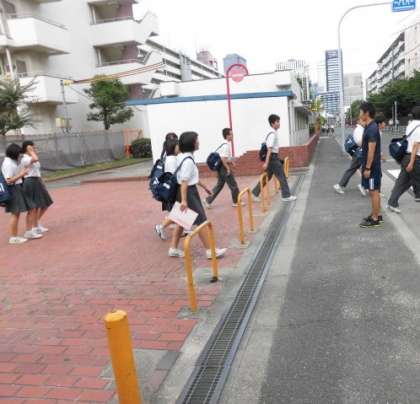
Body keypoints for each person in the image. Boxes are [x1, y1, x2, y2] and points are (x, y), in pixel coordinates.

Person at [168, 131, 227, 259]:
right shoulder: (188, 160)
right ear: (192, 143)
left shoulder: (182, 156)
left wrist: (205, 187)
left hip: (183, 191)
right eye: (197, 140)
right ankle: (210, 250)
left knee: (181, 221)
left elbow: (189, 178)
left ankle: (173, 248)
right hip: (188, 192)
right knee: (202, 221)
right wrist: (184, 200)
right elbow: (185, 181)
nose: (199, 142)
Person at [1, 143, 41, 244]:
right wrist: (22, 174)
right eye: (18, 153)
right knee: (15, 213)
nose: (19, 155)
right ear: (13, 153)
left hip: (18, 187)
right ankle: (13, 237)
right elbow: (9, 180)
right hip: (13, 189)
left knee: (32, 207)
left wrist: (22, 171)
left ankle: (29, 231)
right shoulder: (8, 163)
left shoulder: (11, 161)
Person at [252, 114, 296, 202]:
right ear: (272, 123)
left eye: (279, 121)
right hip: (272, 158)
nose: (279, 123)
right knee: (282, 176)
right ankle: (286, 196)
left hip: (272, 158)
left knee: (267, 177)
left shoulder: (272, 133)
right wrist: (266, 163)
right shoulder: (272, 134)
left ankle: (255, 193)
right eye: (277, 122)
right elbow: (269, 149)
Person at [387, 106, 420, 212]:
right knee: (409, 181)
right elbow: (415, 145)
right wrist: (411, 163)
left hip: (406, 156)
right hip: (414, 159)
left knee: (403, 181)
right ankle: (417, 195)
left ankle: (392, 201)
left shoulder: (410, 125)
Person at [21, 141, 53, 234]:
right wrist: (31, 151)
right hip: (30, 181)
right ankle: (33, 227)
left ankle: (36, 223)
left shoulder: (31, 156)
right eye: (32, 146)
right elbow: (35, 158)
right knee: (34, 206)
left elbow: (37, 171)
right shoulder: (25, 159)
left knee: (46, 203)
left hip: (37, 181)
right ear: (27, 148)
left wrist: (42, 182)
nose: (34, 148)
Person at [359, 102, 383, 228]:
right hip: (372, 166)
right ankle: (377, 214)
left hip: (372, 168)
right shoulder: (370, 126)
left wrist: (368, 168)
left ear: (366, 113)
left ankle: (375, 219)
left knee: (373, 192)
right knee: (375, 191)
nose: (359, 114)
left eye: (360, 111)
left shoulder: (372, 128)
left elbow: (371, 150)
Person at [204, 128, 241, 209]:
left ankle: (208, 200)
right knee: (233, 185)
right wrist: (228, 168)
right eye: (231, 134)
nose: (233, 136)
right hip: (224, 168)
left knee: (219, 185)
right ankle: (236, 202)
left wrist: (230, 161)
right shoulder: (226, 146)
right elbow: (223, 159)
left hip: (220, 168)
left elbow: (223, 158)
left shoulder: (222, 144)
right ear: (227, 136)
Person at [155, 138, 179, 240]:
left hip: (171, 188)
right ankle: (161, 227)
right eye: (178, 146)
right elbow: (174, 176)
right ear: (174, 148)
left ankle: (180, 228)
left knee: (180, 212)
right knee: (180, 212)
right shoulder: (172, 160)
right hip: (174, 189)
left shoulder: (168, 158)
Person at [333, 119, 366, 196]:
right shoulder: (359, 130)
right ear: (359, 121)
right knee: (365, 168)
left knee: (352, 169)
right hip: (359, 153)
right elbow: (359, 142)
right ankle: (363, 185)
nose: (365, 122)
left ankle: (340, 185)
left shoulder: (361, 129)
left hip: (358, 153)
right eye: (363, 121)